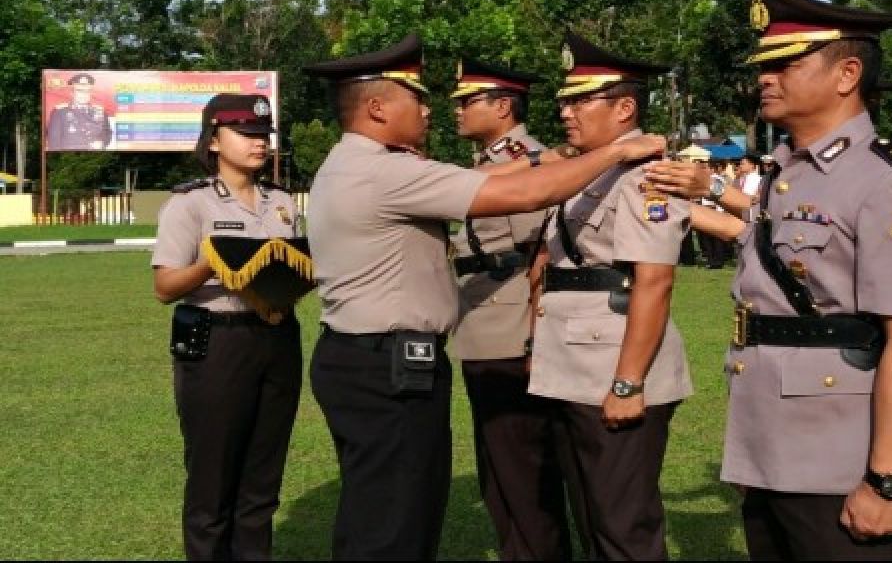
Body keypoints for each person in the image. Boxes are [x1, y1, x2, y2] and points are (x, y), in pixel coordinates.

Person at [302, 35, 667, 560]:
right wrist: (615, 150)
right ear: (378, 108)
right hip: (387, 365)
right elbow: (525, 194)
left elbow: (489, 177)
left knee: (390, 506)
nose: (430, 109)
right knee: (393, 519)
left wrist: (560, 155)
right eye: (418, 98)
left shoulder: (356, 163)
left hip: (369, 357)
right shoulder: (384, 170)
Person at [645, 0, 892, 559]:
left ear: (847, 75)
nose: (766, 76)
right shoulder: (788, 173)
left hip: (845, 456)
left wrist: (887, 480)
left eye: (787, 62)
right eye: (765, 63)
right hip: (774, 444)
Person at [527, 31, 694, 561]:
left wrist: (628, 382)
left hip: (615, 368)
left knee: (624, 527)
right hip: (572, 364)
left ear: (625, 107)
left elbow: (654, 280)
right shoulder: (590, 172)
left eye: (580, 100)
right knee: (593, 518)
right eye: (563, 101)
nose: (566, 112)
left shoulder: (647, 179)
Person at [151, 94, 304, 560]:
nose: (259, 143)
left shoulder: (281, 202)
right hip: (218, 340)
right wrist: (209, 265)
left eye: (264, 135)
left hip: (277, 334)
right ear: (214, 139)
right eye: (247, 133)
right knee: (212, 476)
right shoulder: (190, 203)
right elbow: (164, 286)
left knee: (263, 474)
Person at [448, 57, 586, 561]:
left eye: (468, 101)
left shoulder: (535, 163)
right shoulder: (490, 163)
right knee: (500, 471)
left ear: (503, 106)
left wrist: (534, 335)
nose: (458, 110)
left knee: (524, 470)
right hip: (484, 322)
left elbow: (541, 257)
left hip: (511, 329)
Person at [46, 72, 112, 150]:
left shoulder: (100, 112)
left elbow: (107, 132)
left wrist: (102, 142)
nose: (83, 94)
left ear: (90, 93)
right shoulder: (60, 112)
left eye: (87, 91)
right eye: (79, 91)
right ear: (72, 93)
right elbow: (54, 142)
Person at [698, 158, 731, 268]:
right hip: (708, 210)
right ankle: (712, 260)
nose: (704, 169)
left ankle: (716, 261)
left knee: (715, 239)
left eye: (706, 167)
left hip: (714, 211)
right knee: (708, 238)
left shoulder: (717, 180)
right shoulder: (709, 179)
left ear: (712, 169)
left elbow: (717, 197)